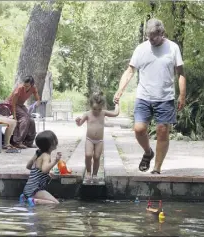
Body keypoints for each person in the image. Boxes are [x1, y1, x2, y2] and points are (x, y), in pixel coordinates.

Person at [113, 18, 186, 174]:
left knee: (162, 131)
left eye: (153, 36)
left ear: (161, 33)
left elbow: (181, 74)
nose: (150, 40)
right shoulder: (141, 49)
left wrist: (182, 95)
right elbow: (130, 71)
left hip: (165, 98)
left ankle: (157, 168)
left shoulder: (173, 48)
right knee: (139, 129)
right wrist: (120, 90)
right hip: (144, 96)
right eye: (148, 36)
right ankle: (148, 152)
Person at [75, 92, 120, 183]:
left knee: (96, 157)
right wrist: (77, 121)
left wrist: (117, 104)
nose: (97, 111)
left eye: (99, 109)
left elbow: (115, 113)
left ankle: (94, 174)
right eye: (95, 109)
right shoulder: (87, 114)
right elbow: (79, 124)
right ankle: (88, 172)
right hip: (89, 139)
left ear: (102, 107)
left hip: (99, 140)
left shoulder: (103, 113)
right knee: (88, 155)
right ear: (91, 106)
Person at [20, 130, 60, 206]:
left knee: (51, 201)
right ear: (52, 144)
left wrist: (47, 174)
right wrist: (55, 161)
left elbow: (28, 166)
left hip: (27, 189)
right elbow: (44, 170)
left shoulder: (38, 153)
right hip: (36, 190)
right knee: (55, 203)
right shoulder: (46, 156)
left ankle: (24, 198)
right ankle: (34, 201)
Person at [5, 75, 41, 149]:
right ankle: (17, 142)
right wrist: (14, 116)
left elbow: (38, 99)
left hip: (21, 105)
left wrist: (37, 103)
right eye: (24, 85)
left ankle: (28, 142)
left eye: (27, 86)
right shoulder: (19, 89)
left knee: (31, 120)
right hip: (12, 105)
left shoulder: (34, 88)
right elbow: (13, 104)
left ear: (32, 85)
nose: (25, 87)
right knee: (25, 118)